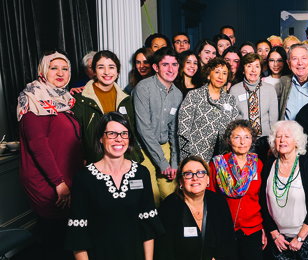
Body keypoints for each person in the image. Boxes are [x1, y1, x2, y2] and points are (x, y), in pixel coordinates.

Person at [65, 112, 164, 260]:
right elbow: (78, 233)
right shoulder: (83, 178)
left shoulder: (141, 174)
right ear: (100, 138)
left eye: (124, 133)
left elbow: (148, 226)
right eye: (112, 133)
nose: (119, 139)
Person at [17, 50, 84, 260]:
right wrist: (59, 183)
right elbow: (38, 147)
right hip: (49, 181)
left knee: (66, 236)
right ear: (43, 70)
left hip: (66, 176)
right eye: (54, 68)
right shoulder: (34, 97)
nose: (60, 73)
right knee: (54, 240)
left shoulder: (64, 97)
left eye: (65, 68)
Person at [259, 121, 308, 260]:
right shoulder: (267, 166)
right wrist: (274, 234)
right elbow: (263, 202)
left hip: (307, 236)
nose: (282, 140)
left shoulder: (307, 165)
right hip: (279, 240)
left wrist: (300, 238)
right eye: (278, 136)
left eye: (287, 136)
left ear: (296, 141)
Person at [155, 156, 237, 260]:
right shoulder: (170, 206)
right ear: (180, 181)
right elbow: (163, 251)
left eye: (200, 173)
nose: (195, 178)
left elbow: (228, 243)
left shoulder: (218, 202)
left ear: (207, 178)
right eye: (188, 174)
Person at [72, 50, 144, 164]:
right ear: (94, 71)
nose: (106, 72)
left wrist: (136, 157)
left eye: (111, 67)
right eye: (101, 67)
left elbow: (132, 132)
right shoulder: (81, 100)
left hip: (125, 160)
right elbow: (76, 138)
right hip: (96, 161)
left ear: (117, 71)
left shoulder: (126, 99)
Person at [132, 47, 183, 206]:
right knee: (151, 198)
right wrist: (162, 162)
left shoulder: (178, 94)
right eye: (165, 64)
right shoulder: (143, 88)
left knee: (171, 197)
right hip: (143, 148)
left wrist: (174, 162)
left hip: (165, 146)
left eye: (174, 64)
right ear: (155, 67)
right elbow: (143, 129)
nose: (170, 69)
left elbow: (175, 131)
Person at [208, 120, 266, 260]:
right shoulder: (217, 164)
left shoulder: (258, 164)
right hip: (225, 229)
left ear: (252, 140)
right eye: (237, 137)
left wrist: (264, 228)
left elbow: (263, 199)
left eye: (247, 137)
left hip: (253, 229)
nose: (242, 142)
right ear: (228, 140)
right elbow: (210, 198)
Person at [177, 57, 239, 161]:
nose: (221, 77)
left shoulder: (230, 100)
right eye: (217, 72)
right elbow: (183, 130)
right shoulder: (194, 96)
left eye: (224, 73)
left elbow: (234, 130)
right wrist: (186, 159)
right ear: (209, 75)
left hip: (222, 158)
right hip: (197, 157)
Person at [229, 53, 279, 162]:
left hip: (265, 140)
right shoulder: (234, 90)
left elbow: (274, 119)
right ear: (243, 70)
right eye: (249, 66)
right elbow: (233, 119)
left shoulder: (270, 89)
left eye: (257, 66)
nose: (253, 70)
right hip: (243, 141)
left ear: (261, 69)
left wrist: (273, 142)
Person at [276, 43, 308, 120]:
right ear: (289, 64)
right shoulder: (284, 82)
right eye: (295, 59)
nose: (300, 63)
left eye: (304, 58)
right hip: (288, 131)